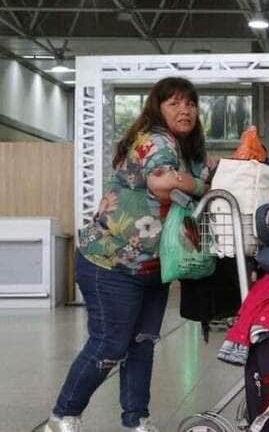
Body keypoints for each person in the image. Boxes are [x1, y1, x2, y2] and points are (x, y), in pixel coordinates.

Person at [45, 78, 213, 432]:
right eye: (175, 103)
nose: (185, 110)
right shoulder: (155, 139)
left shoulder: (188, 150)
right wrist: (202, 186)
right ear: (157, 108)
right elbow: (162, 181)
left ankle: (136, 420)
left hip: (153, 265)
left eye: (191, 104)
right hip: (110, 261)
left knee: (142, 345)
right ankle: (63, 415)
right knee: (110, 344)